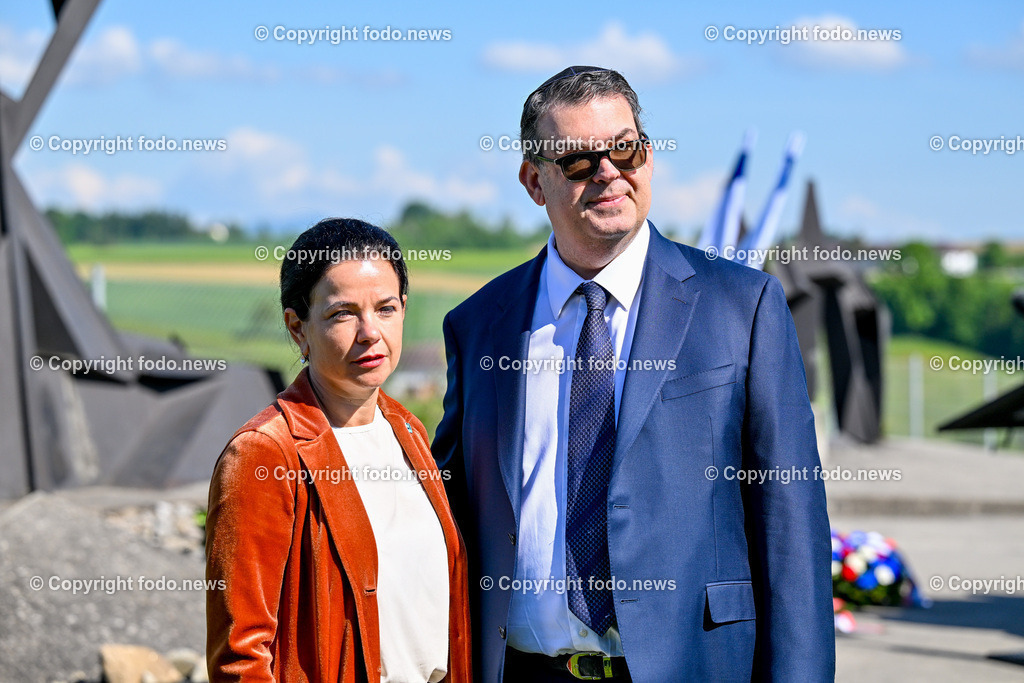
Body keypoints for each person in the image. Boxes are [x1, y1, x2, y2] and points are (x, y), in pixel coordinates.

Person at [432, 66, 834, 682]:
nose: (608, 172)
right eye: (577, 161)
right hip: (523, 670)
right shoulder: (480, 324)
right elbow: (454, 511)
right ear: (533, 181)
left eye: (625, 148)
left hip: (695, 666)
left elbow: (791, 525)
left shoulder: (742, 306)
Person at [206, 218, 471, 682]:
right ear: (297, 328)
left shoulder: (407, 430)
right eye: (342, 314)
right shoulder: (265, 455)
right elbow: (240, 658)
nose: (369, 332)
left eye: (385, 308)